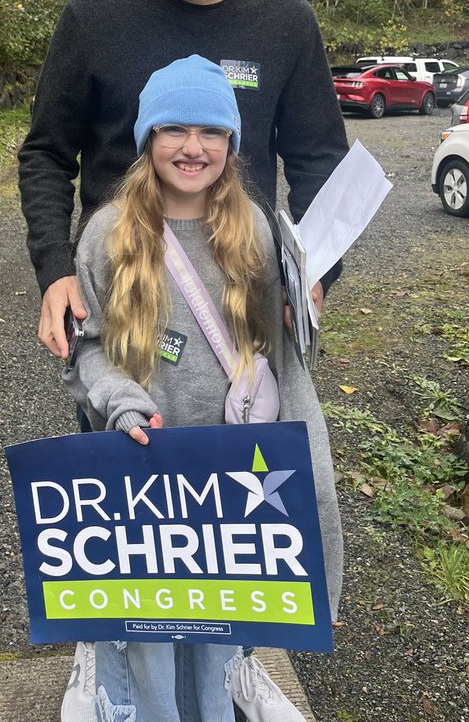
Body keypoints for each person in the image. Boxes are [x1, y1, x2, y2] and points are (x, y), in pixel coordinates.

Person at [63, 56, 342, 722]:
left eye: (211, 131)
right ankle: (117, 691)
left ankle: (230, 688)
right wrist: (121, 402)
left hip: (231, 475)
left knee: (221, 622)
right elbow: (87, 349)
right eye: (174, 129)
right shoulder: (106, 235)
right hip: (143, 470)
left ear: (232, 143)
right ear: (147, 138)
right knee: (150, 631)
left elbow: (279, 354)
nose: (193, 147)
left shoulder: (256, 229)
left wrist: (300, 310)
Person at [18, 0, 349, 362]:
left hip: (245, 309)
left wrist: (314, 273)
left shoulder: (287, 23)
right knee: (120, 417)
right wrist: (55, 270)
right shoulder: (92, 18)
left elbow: (320, 162)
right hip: (122, 307)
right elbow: (46, 155)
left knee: (258, 422)